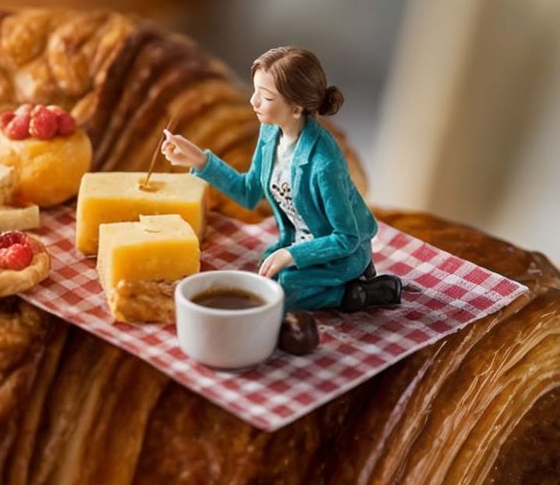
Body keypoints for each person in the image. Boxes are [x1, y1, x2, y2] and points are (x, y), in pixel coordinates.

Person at [160, 46, 401, 317]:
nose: (253, 101)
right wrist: (200, 161)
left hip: (339, 253)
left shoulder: (324, 163)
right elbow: (248, 192)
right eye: (255, 91)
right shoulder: (269, 134)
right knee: (268, 279)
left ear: (295, 108)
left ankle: (356, 293)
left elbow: (347, 237)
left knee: (280, 292)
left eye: (265, 97)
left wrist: (291, 255)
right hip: (296, 241)